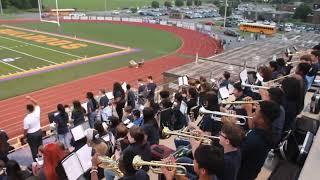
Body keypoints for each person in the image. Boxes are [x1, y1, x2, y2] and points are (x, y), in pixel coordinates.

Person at [237, 101, 280, 180]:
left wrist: (230, 129)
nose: (253, 115)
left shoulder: (254, 140)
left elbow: (234, 156)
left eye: (255, 113)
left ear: (262, 121)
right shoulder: (266, 131)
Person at [23, 96, 43, 161]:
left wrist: (25, 137)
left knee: (34, 149)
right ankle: (43, 158)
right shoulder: (37, 112)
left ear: (28, 110)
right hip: (39, 132)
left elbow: (25, 130)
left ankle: (36, 162)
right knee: (40, 146)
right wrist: (30, 99)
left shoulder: (26, 119)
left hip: (32, 135)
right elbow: (37, 104)